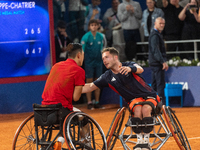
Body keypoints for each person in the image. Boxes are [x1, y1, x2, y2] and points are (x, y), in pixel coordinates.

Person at [82, 47, 161, 150]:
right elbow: (90, 86)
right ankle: (140, 141)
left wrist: (130, 69)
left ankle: (146, 142)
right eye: (103, 59)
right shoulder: (107, 76)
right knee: (137, 109)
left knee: (145, 109)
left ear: (115, 57)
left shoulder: (128, 65)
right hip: (134, 101)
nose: (104, 61)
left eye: (106, 57)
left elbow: (140, 68)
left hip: (149, 96)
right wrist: (71, 88)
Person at [42, 43, 88, 149]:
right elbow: (76, 98)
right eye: (83, 55)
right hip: (62, 111)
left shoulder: (56, 66)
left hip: (44, 110)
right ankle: (86, 144)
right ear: (79, 55)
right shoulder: (79, 71)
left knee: (68, 123)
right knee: (84, 118)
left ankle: (58, 142)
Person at [81, 19, 104, 110]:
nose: (94, 27)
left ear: (98, 26)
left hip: (98, 62)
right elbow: (82, 50)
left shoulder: (101, 36)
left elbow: (103, 49)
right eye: (92, 25)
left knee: (98, 81)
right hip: (89, 62)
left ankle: (97, 102)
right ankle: (89, 102)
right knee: (89, 82)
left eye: (95, 25)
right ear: (89, 27)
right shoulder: (85, 37)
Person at [148, 17, 168, 106]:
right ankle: (161, 106)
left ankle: (155, 106)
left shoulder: (156, 34)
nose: (162, 25)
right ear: (155, 24)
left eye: (163, 23)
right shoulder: (155, 35)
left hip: (155, 63)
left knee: (155, 85)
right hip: (157, 64)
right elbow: (156, 50)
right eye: (160, 23)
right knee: (160, 85)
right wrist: (162, 61)